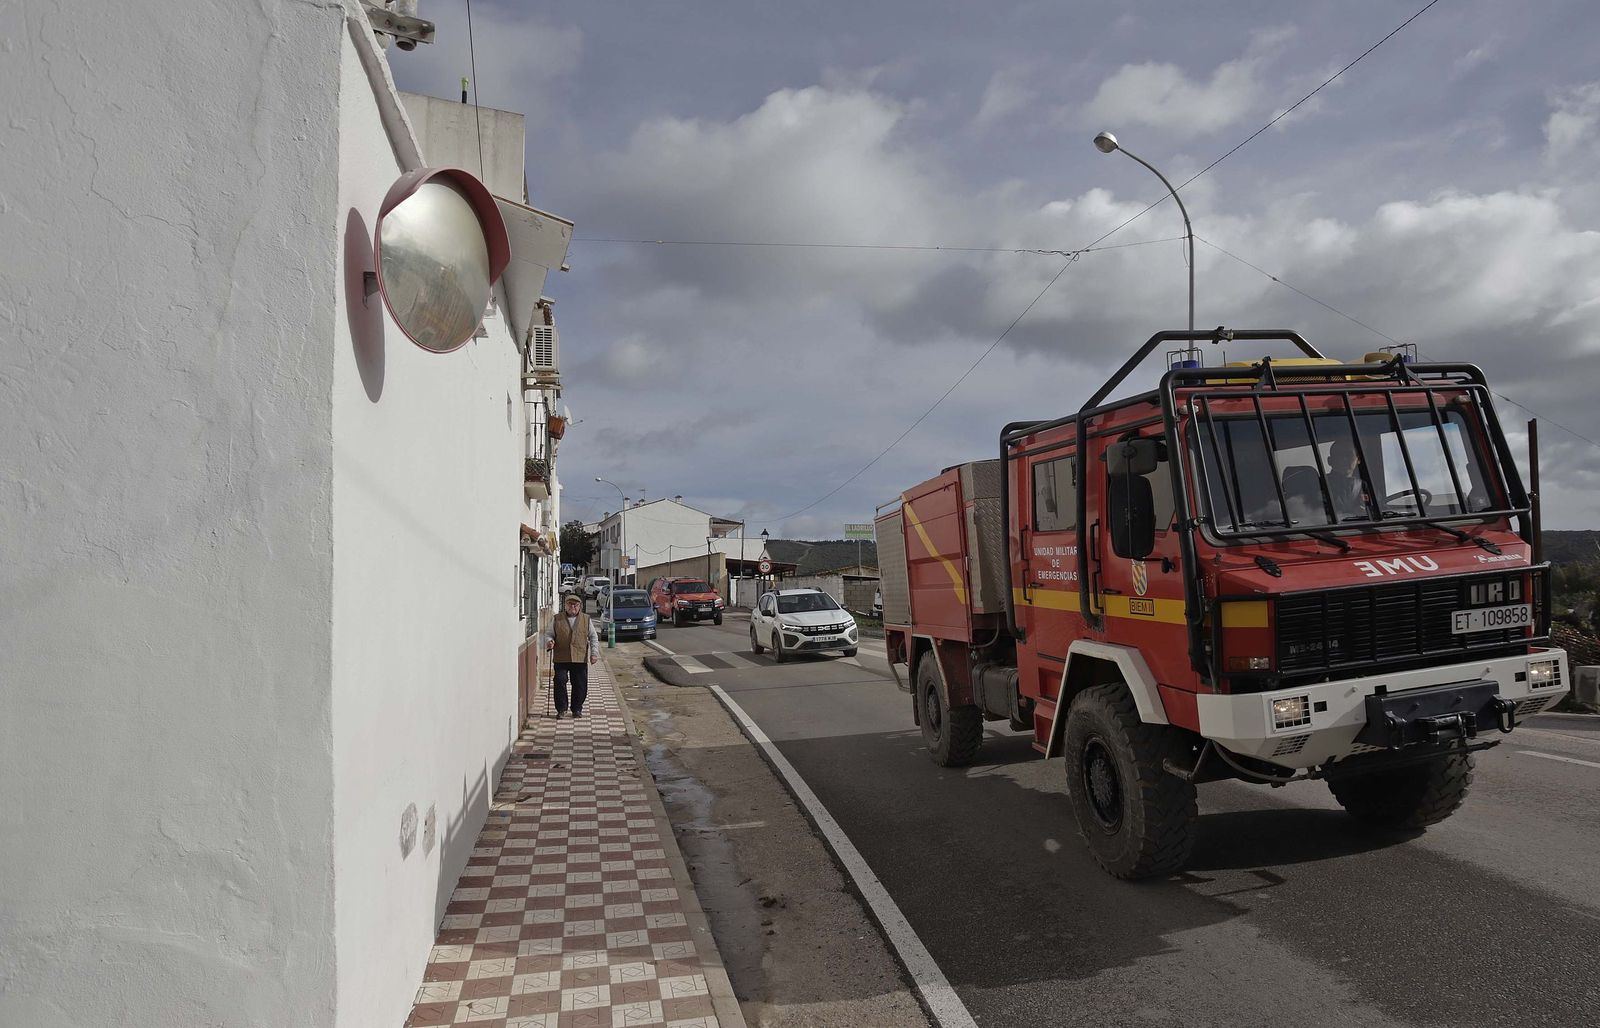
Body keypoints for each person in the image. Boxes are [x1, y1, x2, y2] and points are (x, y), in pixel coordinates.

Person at [544, 592, 599, 718]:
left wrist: (594, 653)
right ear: (565, 605)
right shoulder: (557, 618)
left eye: (575, 604)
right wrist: (549, 641)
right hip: (561, 656)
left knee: (580, 683)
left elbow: (593, 637)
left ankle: (577, 708)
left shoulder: (586, 619)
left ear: (580, 606)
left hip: (580, 657)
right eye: (570, 604)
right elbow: (549, 634)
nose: (572, 606)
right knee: (559, 681)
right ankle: (561, 709)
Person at [1326, 438, 1370, 521]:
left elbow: (1381, 510)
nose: (1343, 459)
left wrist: (1367, 512)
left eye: (1348, 455)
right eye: (1338, 455)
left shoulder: (1365, 486)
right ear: (1330, 461)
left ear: (1358, 459)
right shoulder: (1319, 484)